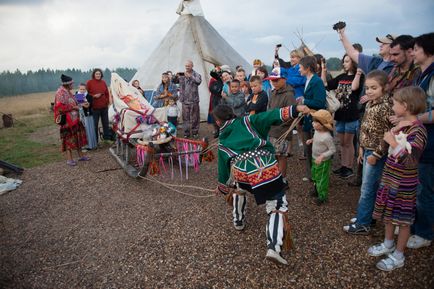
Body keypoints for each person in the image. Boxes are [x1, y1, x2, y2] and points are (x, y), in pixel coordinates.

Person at [214, 103, 306, 265]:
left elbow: (223, 167)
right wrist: (295, 109)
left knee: (238, 188)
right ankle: (273, 248)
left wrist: (222, 187)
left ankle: (238, 220)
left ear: (217, 121)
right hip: (263, 167)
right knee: (277, 204)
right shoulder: (248, 121)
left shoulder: (222, 139)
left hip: (241, 171)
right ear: (232, 113)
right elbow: (271, 115)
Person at [368, 86, 427, 271]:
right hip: (390, 179)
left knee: (402, 220)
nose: (392, 106)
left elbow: (411, 161)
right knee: (388, 215)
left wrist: (393, 142)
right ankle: (388, 243)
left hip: (404, 183)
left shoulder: (419, 131)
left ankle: (399, 255)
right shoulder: (403, 125)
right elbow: (392, 148)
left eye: (394, 103)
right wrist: (393, 135)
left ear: (406, 106)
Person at [343, 70, 393, 235]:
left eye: (374, 88)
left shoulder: (386, 106)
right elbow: (366, 127)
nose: (369, 91)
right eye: (367, 88)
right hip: (367, 149)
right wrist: (361, 148)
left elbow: (388, 135)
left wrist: (376, 154)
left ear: (384, 88)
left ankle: (363, 223)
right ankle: (367, 216)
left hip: (375, 153)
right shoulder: (371, 102)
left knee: (367, 188)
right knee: (368, 185)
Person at [407, 32, 434, 249]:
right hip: (419, 138)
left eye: (416, 48)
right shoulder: (421, 74)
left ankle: (425, 233)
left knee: (426, 188)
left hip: (430, 141)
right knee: (418, 186)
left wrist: (412, 119)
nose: (413, 52)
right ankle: (416, 226)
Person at [322, 54, 364, 178]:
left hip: (351, 114)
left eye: (347, 61)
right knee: (342, 142)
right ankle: (344, 166)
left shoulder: (360, 77)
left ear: (354, 63)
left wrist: (358, 72)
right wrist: (324, 71)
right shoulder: (341, 77)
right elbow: (326, 85)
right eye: (344, 61)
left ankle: (349, 168)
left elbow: (355, 87)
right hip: (340, 114)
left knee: (348, 142)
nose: (344, 63)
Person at [297, 56, 327, 181]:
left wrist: (304, 100)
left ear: (307, 68)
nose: (299, 70)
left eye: (300, 67)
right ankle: (311, 175)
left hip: (315, 120)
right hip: (307, 120)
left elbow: (320, 102)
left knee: (316, 149)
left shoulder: (317, 81)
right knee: (308, 148)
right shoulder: (308, 80)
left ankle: (318, 177)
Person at [266, 67, 296, 184]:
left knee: (282, 155)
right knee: (274, 155)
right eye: (272, 80)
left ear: (284, 79)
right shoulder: (273, 93)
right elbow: (269, 108)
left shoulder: (289, 95)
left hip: (283, 130)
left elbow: (291, 114)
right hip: (272, 130)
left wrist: (279, 121)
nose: (274, 82)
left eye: (276, 80)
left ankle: (283, 180)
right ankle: (275, 177)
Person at [54, 74, 89, 166]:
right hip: (67, 122)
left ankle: (81, 156)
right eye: (72, 84)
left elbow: (76, 99)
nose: (73, 85)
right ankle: (69, 159)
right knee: (69, 139)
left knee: (78, 138)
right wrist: (75, 107)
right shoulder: (60, 93)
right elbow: (60, 107)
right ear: (67, 84)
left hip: (75, 120)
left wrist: (84, 102)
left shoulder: (69, 92)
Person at [306, 110, 336, 205]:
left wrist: (322, 156)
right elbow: (316, 138)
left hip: (323, 161)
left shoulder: (327, 137)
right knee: (315, 175)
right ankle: (316, 190)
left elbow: (332, 150)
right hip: (315, 158)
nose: (312, 123)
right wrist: (311, 140)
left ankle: (322, 196)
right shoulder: (317, 131)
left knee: (322, 178)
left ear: (322, 125)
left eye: (315, 122)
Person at [175, 60, 202, 138]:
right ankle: (186, 133)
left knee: (195, 117)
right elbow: (174, 82)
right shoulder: (182, 75)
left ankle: (195, 132)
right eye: (186, 66)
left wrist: (190, 76)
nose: (187, 67)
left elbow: (198, 81)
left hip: (194, 100)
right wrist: (175, 76)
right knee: (185, 118)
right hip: (184, 100)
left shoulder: (197, 74)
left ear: (192, 66)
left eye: (188, 66)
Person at [86, 68, 112, 143]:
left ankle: (106, 139)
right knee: (95, 125)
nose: (98, 75)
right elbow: (86, 94)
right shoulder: (89, 82)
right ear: (94, 74)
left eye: (99, 74)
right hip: (94, 108)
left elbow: (107, 93)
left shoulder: (103, 82)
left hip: (104, 107)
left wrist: (107, 101)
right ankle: (95, 141)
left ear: (101, 75)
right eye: (96, 74)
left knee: (106, 124)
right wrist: (94, 96)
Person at [75, 83, 97, 150]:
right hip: (79, 115)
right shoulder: (77, 94)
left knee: (89, 129)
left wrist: (80, 102)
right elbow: (78, 105)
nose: (82, 90)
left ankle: (90, 145)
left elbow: (87, 105)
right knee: (81, 130)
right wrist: (82, 103)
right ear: (79, 89)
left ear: (86, 89)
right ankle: (83, 145)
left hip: (88, 115)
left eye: (83, 89)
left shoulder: (89, 96)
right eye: (81, 89)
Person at [209, 67, 224, 138]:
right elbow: (211, 89)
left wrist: (219, 91)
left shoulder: (224, 80)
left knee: (222, 115)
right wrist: (218, 91)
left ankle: (222, 130)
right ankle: (217, 130)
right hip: (215, 100)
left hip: (222, 100)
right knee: (215, 115)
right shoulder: (214, 80)